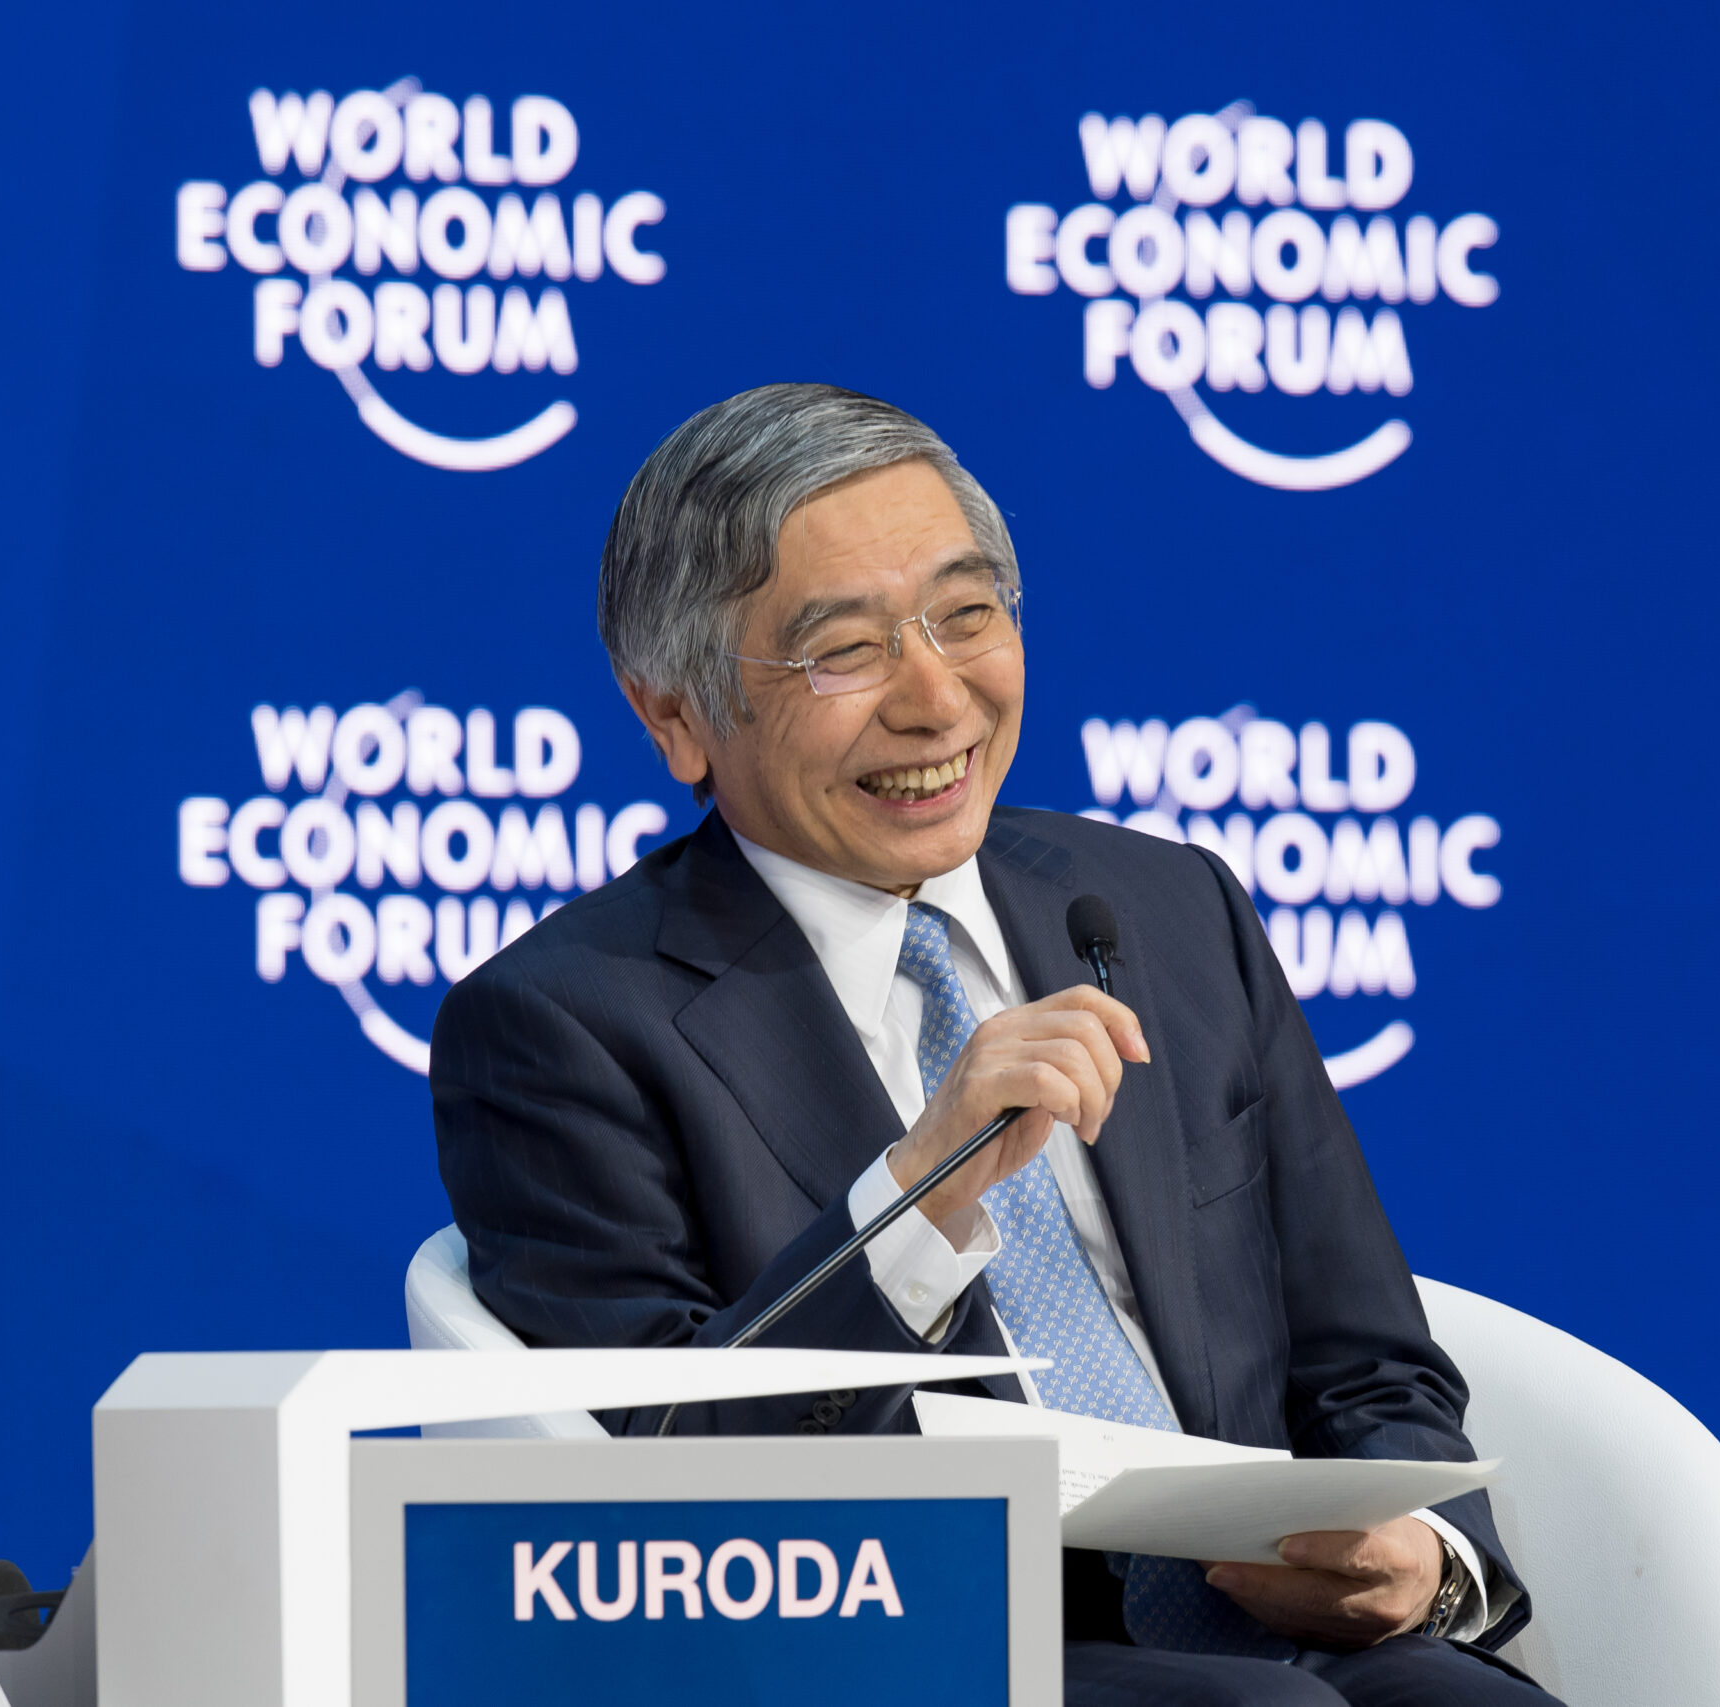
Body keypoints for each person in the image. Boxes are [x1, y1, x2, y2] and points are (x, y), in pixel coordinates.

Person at [432, 383, 1555, 1706]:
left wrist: (1419, 1557)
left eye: (967, 616)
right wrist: (914, 1197)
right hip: (909, 1657)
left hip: (1281, 1634)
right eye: (844, 651)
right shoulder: (562, 1022)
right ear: (676, 715)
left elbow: (1364, 1352)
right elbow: (667, 1482)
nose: (934, 698)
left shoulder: (1165, 910)